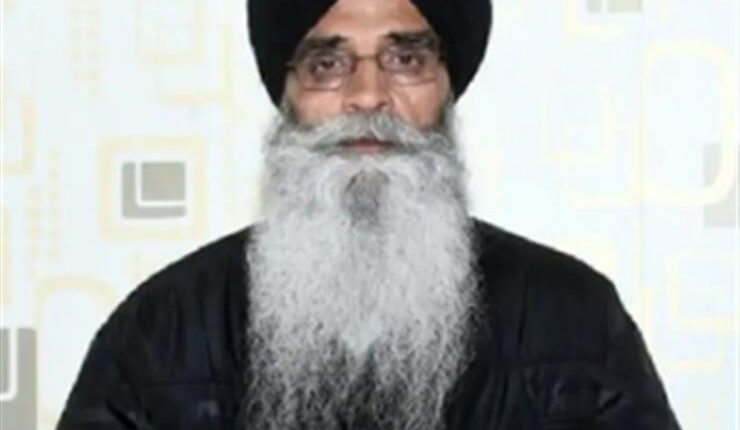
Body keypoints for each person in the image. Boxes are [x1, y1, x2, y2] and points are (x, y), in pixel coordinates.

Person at [58, 0, 681, 428]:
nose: (367, 95)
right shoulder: (161, 333)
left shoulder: (574, 318)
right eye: (327, 64)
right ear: (286, 95)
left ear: (447, 85)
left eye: (405, 59)